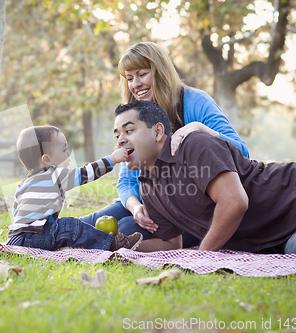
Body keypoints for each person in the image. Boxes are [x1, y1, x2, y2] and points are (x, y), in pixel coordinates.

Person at [80, 41, 249, 250]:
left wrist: (198, 128)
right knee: (86, 225)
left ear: (160, 71)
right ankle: (38, 232)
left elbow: (241, 152)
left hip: (188, 209)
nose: (135, 84)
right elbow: (126, 181)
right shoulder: (136, 116)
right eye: (130, 78)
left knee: (123, 230)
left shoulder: (195, 101)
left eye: (142, 74)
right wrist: (135, 207)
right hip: (149, 204)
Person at [113, 100, 296, 253]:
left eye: (129, 130)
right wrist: (118, 245)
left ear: (159, 132)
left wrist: (202, 254)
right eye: (117, 135)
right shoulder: (148, 187)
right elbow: (171, 245)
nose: (121, 140)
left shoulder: (192, 144)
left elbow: (234, 202)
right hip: (286, 234)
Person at [6, 125, 143, 251]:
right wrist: (112, 159)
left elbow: (16, 212)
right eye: (64, 149)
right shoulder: (53, 175)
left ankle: (66, 245)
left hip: (15, 238)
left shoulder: (23, 184)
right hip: (34, 236)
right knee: (70, 225)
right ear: (47, 160)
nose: (68, 154)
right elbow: (86, 173)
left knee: (61, 228)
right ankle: (111, 244)